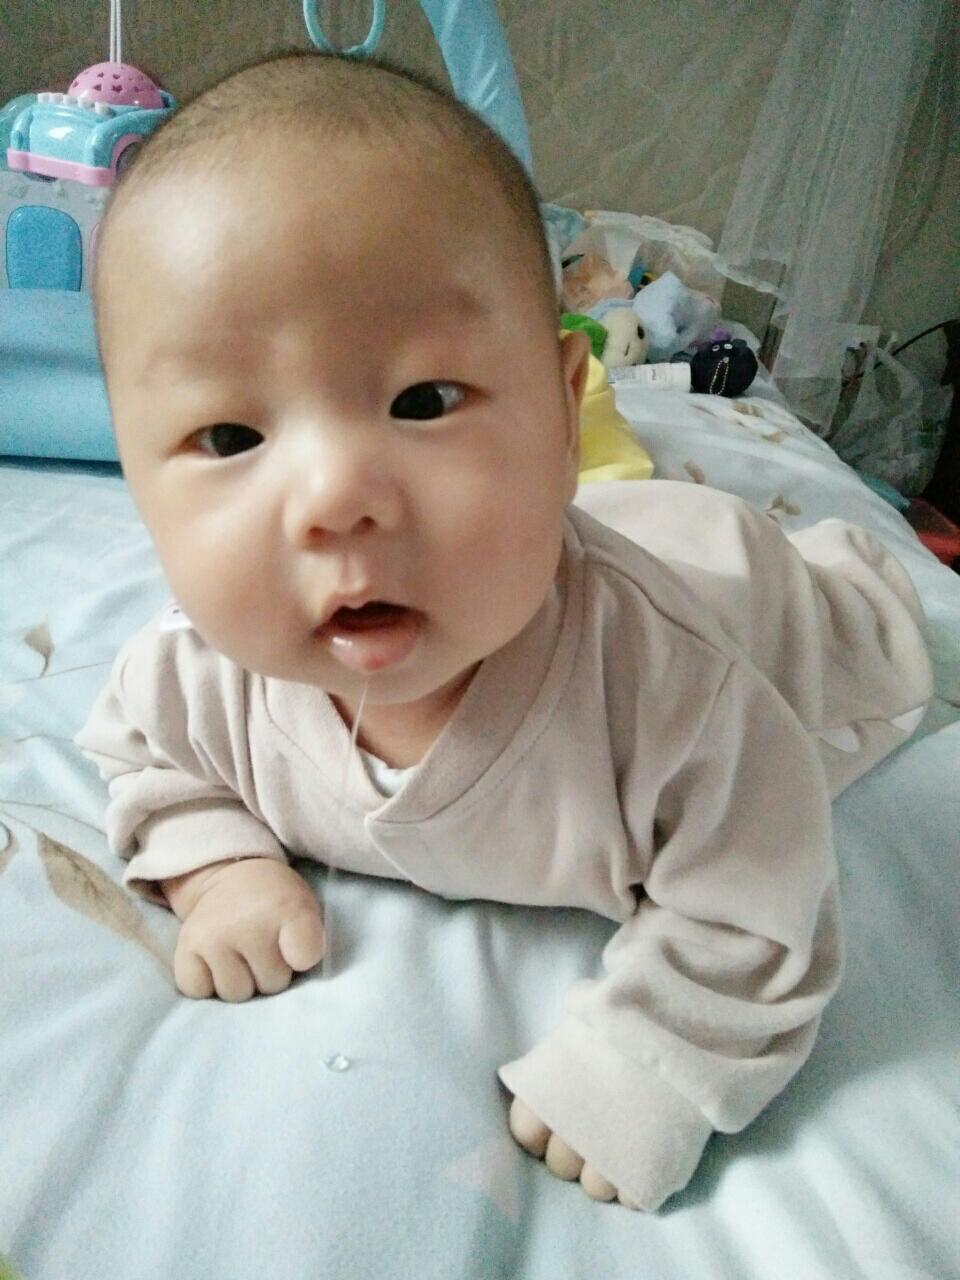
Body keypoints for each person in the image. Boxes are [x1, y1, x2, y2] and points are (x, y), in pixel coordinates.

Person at [75, 51, 932, 1213]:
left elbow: (760, 892)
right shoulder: (196, 674)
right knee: (615, 533)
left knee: (845, 611)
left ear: (567, 410)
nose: (335, 498)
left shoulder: (679, 696)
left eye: (423, 401)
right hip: (585, 533)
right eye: (230, 436)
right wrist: (217, 864)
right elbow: (146, 757)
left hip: (769, 607)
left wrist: (649, 1061)